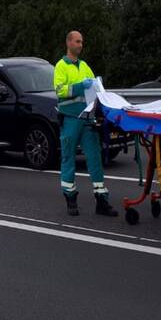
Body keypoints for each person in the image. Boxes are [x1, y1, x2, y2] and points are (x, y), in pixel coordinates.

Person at [53, 30, 116, 217]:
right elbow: (60, 91)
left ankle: (101, 200)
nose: (81, 45)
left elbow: (94, 87)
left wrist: (98, 85)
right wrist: (82, 86)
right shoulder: (61, 66)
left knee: (95, 158)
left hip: (87, 119)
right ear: (69, 43)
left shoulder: (84, 66)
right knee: (68, 159)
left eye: (82, 42)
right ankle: (70, 198)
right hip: (71, 119)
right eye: (78, 41)